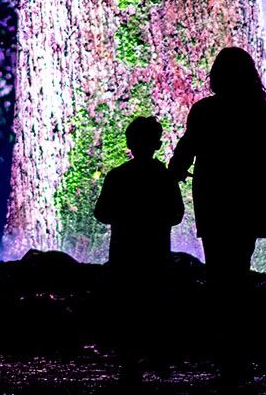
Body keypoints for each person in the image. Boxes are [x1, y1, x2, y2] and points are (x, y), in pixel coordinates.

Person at [167, 46, 266, 386]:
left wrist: (174, 171)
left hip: (214, 201)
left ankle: (225, 349)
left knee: (218, 274)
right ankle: (237, 352)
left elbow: (186, 149)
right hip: (248, 201)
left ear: (216, 77)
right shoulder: (262, 111)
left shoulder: (205, 111)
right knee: (239, 271)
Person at [95, 116, 184, 386]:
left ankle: (129, 362)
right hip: (156, 252)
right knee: (155, 302)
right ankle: (160, 357)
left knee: (127, 305)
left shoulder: (117, 176)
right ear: (157, 144)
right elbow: (177, 214)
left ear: (129, 143)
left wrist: (126, 216)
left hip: (125, 252)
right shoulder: (164, 177)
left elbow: (101, 213)